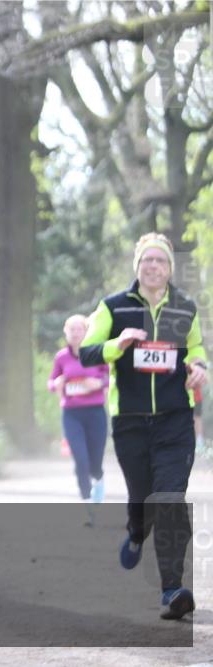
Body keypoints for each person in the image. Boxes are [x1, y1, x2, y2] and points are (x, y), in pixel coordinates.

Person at [80, 232, 208, 620]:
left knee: (169, 499)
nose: (153, 266)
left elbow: (198, 348)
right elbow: (85, 352)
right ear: (137, 267)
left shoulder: (185, 307)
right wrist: (116, 344)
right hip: (131, 422)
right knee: (143, 498)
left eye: (160, 261)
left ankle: (172, 589)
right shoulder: (113, 307)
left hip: (175, 421)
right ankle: (136, 531)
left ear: (170, 268)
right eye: (146, 260)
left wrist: (199, 367)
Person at [48, 314, 110, 523]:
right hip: (72, 414)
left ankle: (99, 479)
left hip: (95, 413)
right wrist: (56, 383)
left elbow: (110, 377)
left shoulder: (97, 353)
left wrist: (99, 383)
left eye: (79, 329)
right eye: (71, 330)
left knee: (94, 463)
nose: (75, 333)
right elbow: (51, 383)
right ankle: (87, 504)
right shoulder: (61, 358)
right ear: (66, 332)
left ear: (86, 332)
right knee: (80, 460)